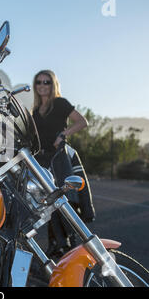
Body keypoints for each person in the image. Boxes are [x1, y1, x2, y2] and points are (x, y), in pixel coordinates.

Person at [31, 70, 90, 258]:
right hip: (42, 160)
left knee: (65, 201)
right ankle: (56, 244)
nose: (42, 85)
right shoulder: (35, 110)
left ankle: (72, 245)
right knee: (49, 204)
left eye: (46, 82)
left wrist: (63, 135)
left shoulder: (60, 103)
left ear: (53, 84)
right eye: (39, 82)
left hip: (58, 158)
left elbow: (82, 121)